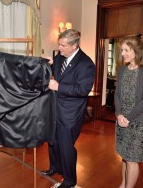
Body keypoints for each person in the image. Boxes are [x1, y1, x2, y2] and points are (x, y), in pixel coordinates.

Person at [41, 29, 96, 188]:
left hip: (70, 114)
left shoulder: (86, 64)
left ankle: (70, 180)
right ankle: (55, 167)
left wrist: (59, 86)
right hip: (55, 109)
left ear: (74, 45)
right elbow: (55, 68)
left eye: (63, 45)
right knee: (53, 141)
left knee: (66, 148)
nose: (59, 48)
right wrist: (47, 63)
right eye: (59, 44)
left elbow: (83, 90)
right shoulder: (60, 57)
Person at [115, 35, 143, 188]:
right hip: (122, 120)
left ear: (137, 51)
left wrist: (127, 118)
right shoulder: (122, 69)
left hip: (139, 122)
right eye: (122, 50)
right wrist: (119, 115)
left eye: (126, 50)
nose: (123, 53)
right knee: (125, 157)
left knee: (132, 159)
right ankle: (124, 184)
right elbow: (117, 95)